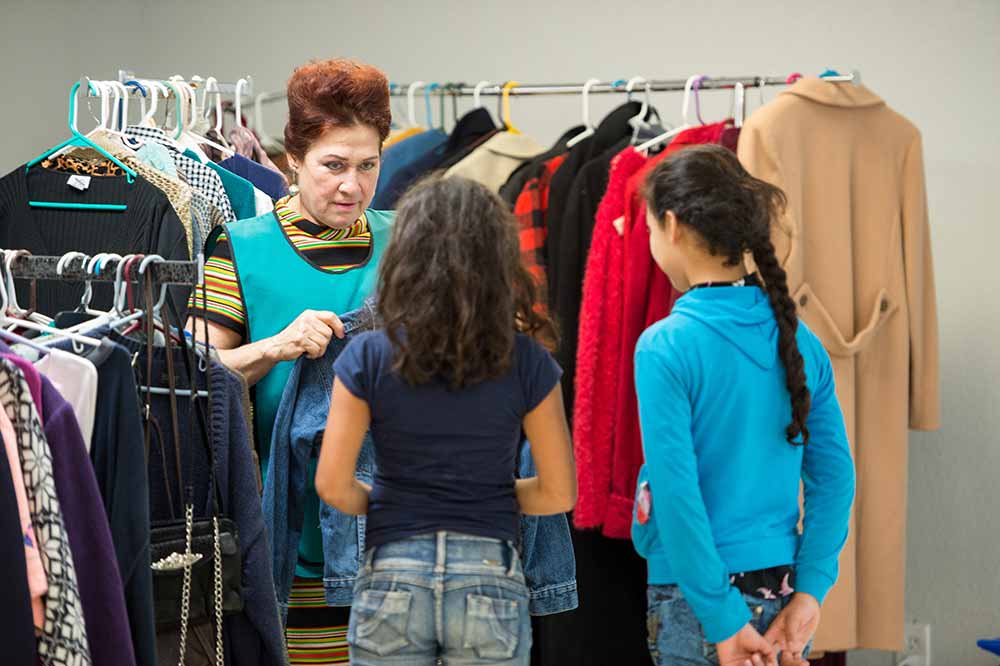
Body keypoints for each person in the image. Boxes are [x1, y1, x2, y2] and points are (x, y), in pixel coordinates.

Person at [315, 176, 577, 666]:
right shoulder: (527, 360)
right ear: (499, 261)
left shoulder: (366, 356)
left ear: (404, 257)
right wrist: (488, 491)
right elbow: (559, 493)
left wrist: (400, 496)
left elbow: (332, 485)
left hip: (393, 566)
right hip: (488, 572)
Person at [186, 58, 394, 661]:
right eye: (333, 166)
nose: (350, 186)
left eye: (367, 166)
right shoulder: (242, 248)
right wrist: (276, 346)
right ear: (292, 160)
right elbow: (200, 376)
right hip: (284, 534)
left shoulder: (408, 241)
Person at [631, 145, 856, 666]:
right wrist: (809, 591)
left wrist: (723, 619)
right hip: (781, 595)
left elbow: (678, 495)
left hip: (698, 601)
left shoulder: (664, 346)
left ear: (672, 226)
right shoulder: (800, 341)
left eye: (647, 231)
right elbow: (836, 477)